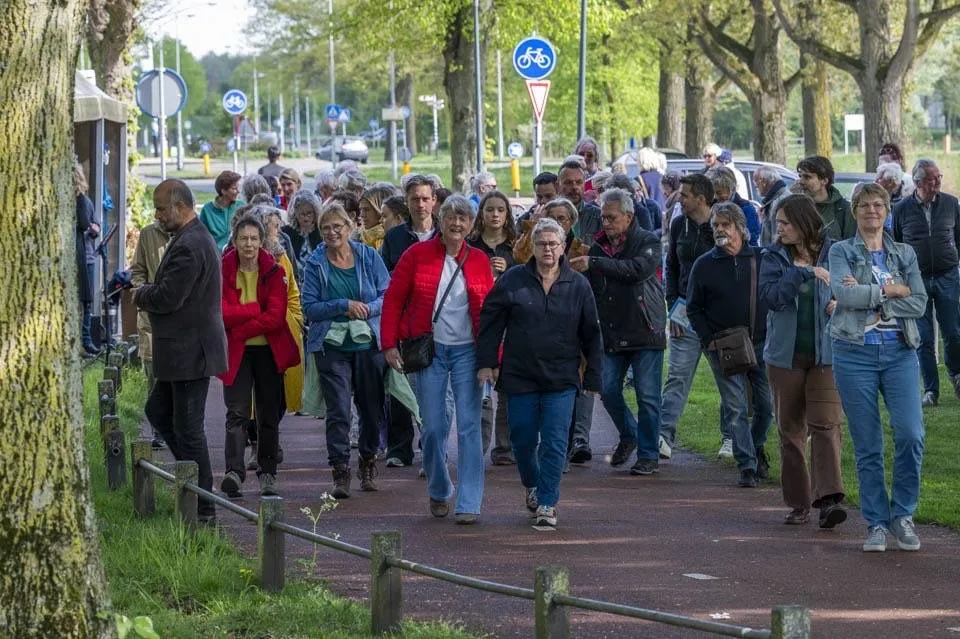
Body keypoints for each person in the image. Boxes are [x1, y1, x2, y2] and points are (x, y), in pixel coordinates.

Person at [478, 217, 602, 530]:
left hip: (562, 376)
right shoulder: (514, 280)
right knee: (521, 438)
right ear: (531, 247)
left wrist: (593, 377)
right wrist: (487, 362)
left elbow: (592, 334)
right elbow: (491, 321)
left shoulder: (579, 285)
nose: (547, 249)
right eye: (541, 243)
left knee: (556, 441)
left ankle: (547, 501)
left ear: (563, 247)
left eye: (553, 243)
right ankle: (533, 483)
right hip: (520, 375)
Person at [381, 195, 494, 524]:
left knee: (470, 427)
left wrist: (492, 359)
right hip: (430, 352)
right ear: (440, 221)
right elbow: (393, 300)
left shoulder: (479, 261)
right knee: (432, 428)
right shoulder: (416, 255)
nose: (457, 224)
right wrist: (389, 344)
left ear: (471, 225)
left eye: (464, 219)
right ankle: (439, 486)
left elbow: (489, 314)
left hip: (468, 353)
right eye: (451, 218)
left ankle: (469, 501)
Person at [829, 182, 927, 552]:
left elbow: (918, 303)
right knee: (868, 443)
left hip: (900, 352)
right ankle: (876, 523)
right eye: (865, 205)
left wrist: (874, 299)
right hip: (854, 354)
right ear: (854, 211)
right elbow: (844, 295)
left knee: (911, 434)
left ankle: (903, 515)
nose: (873, 210)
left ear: (888, 211)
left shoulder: (904, 254)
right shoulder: (840, 251)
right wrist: (891, 290)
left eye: (879, 205)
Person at [135, 179, 227, 524]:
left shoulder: (190, 244)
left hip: (190, 352)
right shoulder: (191, 238)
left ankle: (203, 506)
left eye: (161, 208)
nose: (157, 215)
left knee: (188, 429)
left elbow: (168, 297)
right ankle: (192, 484)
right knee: (159, 413)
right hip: (182, 351)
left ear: (182, 206)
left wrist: (142, 293)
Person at [759, 194, 846, 528]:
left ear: (804, 222)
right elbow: (772, 298)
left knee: (826, 425)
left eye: (786, 222)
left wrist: (841, 302)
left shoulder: (835, 251)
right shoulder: (772, 256)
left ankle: (830, 500)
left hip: (827, 355)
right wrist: (803, 273)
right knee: (790, 430)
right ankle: (798, 502)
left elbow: (852, 287)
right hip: (785, 358)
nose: (779, 229)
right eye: (777, 223)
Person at [570, 188, 666, 476]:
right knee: (608, 390)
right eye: (603, 217)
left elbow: (638, 269)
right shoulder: (598, 247)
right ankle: (630, 433)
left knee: (648, 396)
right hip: (612, 331)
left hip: (645, 328)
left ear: (628, 216)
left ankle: (648, 454)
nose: (606, 223)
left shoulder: (647, 240)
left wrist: (595, 263)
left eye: (611, 217)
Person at [301, 202, 391, 498]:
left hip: (367, 342)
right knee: (339, 409)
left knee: (370, 405)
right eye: (325, 227)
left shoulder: (367, 255)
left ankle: (368, 461)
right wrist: (343, 306)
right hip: (331, 344)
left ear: (349, 227)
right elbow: (309, 307)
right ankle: (340, 469)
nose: (331, 232)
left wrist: (367, 309)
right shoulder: (316, 263)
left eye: (336, 226)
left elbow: (386, 294)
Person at [687, 201, 773, 488]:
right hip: (724, 346)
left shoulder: (761, 258)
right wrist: (707, 340)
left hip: (762, 344)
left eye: (725, 225)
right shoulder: (704, 264)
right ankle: (747, 465)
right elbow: (693, 308)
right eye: (715, 226)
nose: (720, 230)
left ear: (740, 227)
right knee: (735, 407)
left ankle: (755, 445)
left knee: (767, 405)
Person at [219, 215, 300, 498]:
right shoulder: (224, 269)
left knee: (268, 413)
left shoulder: (274, 271)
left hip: (268, 351)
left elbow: (276, 317)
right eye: (244, 238)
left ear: (262, 240)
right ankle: (234, 471)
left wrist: (242, 327)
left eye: (254, 238)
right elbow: (223, 313)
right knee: (237, 412)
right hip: (238, 352)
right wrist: (255, 310)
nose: (249, 244)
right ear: (235, 241)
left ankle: (267, 473)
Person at [660, 174, 724, 461]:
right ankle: (662, 435)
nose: (679, 199)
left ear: (701, 198)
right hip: (684, 310)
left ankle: (732, 437)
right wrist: (673, 305)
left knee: (728, 377)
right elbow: (671, 265)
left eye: (684, 195)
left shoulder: (721, 225)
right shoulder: (678, 225)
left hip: (717, 312)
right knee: (677, 375)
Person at [893, 159, 960, 406]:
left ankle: (957, 375)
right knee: (924, 337)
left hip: (947, 276)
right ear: (918, 182)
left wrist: (954, 262)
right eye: (933, 179)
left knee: (953, 331)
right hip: (916, 280)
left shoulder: (951, 204)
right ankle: (931, 391)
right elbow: (898, 243)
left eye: (939, 177)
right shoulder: (901, 209)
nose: (938, 182)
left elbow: (959, 237)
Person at [468, 190, 518, 465]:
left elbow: (528, 276)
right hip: (481, 322)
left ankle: (505, 448)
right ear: (482, 214)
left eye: (500, 209)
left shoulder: (517, 246)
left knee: (508, 386)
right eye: (490, 210)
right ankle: (480, 445)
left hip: (512, 322)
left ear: (507, 214)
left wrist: (508, 268)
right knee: (483, 384)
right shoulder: (472, 246)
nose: (495, 215)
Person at [258, 206, 304, 416]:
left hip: (285, 329)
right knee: (260, 389)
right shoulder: (247, 256)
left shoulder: (282, 257)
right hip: (257, 332)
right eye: (275, 226)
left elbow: (293, 290)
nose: (279, 231)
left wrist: (296, 318)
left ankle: (269, 437)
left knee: (281, 389)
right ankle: (258, 436)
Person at [131, 220, 170, 447]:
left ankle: (178, 425)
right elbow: (138, 269)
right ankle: (159, 429)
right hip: (150, 314)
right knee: (153, 371)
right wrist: (141, 293)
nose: (160, 213)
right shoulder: (148, 234)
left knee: (176, 374)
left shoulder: (188, 234)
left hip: (178, 318)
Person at [381, 174, 439, 272]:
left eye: (425, 199)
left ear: (433, 200)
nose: (420, 205)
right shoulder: (393, 237)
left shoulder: (445, 235)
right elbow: (384, 276)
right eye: (415, 199)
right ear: (406, 201)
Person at [795, 156, 855, 240]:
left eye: (807, 177)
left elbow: (850, 246)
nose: (801, 182)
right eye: (800, 176)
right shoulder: (796, 207)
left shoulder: (843, 209)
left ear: (824, 181)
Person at [74, 162, 99, 355]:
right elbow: (84, 223)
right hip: (80, 256)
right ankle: (83, 339)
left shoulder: (85, 200)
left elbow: (93, 222)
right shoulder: (78, 200)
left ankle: (86, 339)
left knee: (87, 300)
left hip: (87, 253)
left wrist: (95, 227)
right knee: (83, 299)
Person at [707, 166, 761, 247]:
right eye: (713, 192)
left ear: (731, 189)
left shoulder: (746, 208)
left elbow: (752, 239)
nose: (715, 196)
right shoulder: (710, 206)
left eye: (719, 193)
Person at [558, 158, 601, 244]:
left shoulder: (597, 216)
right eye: (568, 182)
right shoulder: (549, 215)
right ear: (557, 185)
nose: (574, 187)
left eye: (579, 182)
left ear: (584, 184)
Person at [282, 189, 323, 277]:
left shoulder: (322, 231)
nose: (306, 218)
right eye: (301, 214)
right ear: (294, 213)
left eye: (309, 213)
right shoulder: (286, 232)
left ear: (315, 212)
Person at [200, 170, 244, 252]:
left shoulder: (241, 206)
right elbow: (202, 238)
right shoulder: (207, 210)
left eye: (238, 188)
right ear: (223, 191)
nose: (238, 191)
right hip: (216, 257)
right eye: (234, 188)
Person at [753, 165, 788, 247]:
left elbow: (777, 236)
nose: (755, 185)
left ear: (763, 181)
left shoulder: (781, 200)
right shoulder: (773, 200)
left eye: (755, 180)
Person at [358, 183, 397, 250]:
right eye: (360, 209)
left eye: (367, 210)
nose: (361, 215)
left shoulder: (390, 240)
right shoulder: (359, 235)